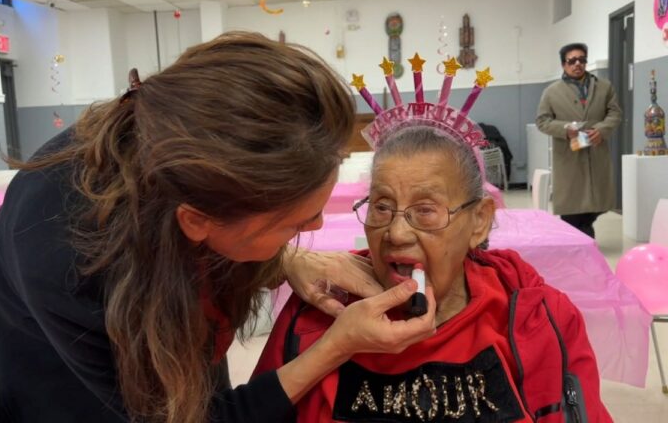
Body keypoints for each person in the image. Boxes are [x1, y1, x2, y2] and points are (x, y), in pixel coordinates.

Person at [0, 32, 437, 423]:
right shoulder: (67, 256)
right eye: (295, 223)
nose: (317, 224)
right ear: (197, 222)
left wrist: (286, 258)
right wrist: (335, 346)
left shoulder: (187, 165)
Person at [254, 125, 612, 422]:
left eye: (425, 210)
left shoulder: (537, 319)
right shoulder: (320, 310)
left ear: (479, 221)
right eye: (381, 207)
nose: (396, 233)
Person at [536, 43, 622, 238]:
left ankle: (583, 235)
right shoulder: (552, 92)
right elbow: (542, 121)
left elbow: (615, 113)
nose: (577, 64)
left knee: (597, 203)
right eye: (571, 60)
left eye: (581, 59)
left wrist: (601, 129)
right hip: (569, 156)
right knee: (572, 208)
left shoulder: (604, 87)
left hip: (596, 152)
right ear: (563, 65)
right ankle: (581, 242)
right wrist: (565, 129)